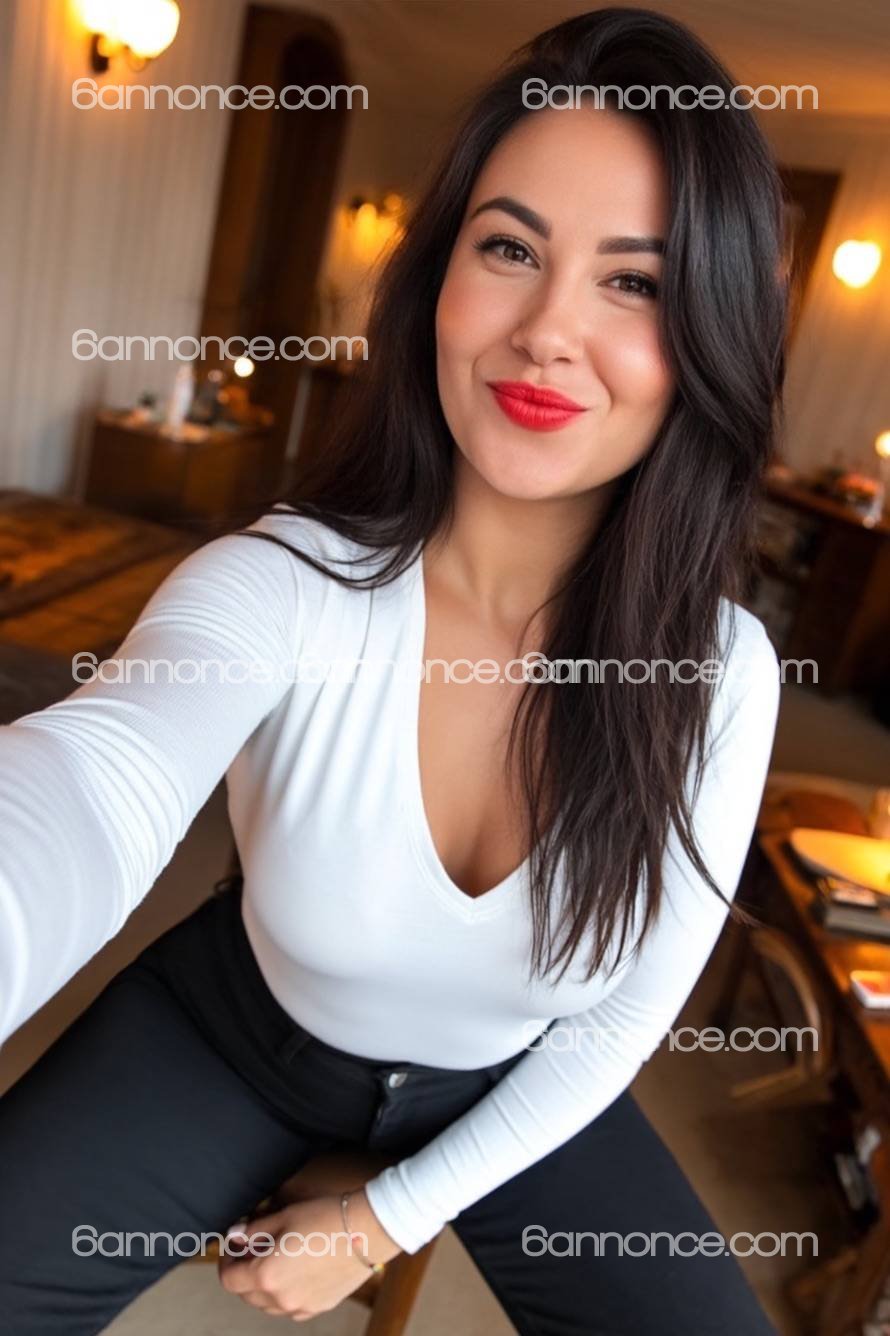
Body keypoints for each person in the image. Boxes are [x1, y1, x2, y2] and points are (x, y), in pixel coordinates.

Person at [0, 7, 787, 1333]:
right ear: (436, 282)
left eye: (634, 283)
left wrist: (377, 1223)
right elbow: (89, 782)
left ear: (709, 332)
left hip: (507, 1088)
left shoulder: (723, 675)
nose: (546, 330)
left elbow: (615, 1024)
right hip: (229, 1035)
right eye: (509, 249)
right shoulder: (281, 582)